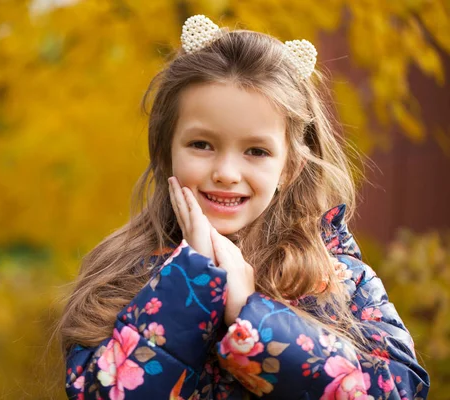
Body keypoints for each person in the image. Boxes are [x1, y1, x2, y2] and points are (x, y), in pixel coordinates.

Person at [58, 14, 430, 399]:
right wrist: (191, 279)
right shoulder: (122, 275)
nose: (226, 172)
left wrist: (251, 313)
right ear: (167, 151)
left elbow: (399, 391)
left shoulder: (341, 281)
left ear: (290, 168)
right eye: (201, 144)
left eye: (256, 151)